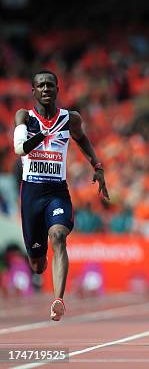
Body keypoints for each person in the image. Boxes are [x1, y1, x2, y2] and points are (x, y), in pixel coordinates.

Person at [13, 70, 109, 321]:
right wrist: (41, 137)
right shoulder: (24, 116)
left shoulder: (70, 119)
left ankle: (58, 299)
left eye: (50, 85)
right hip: (32, 192)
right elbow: (19, 148)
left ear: (57, 89)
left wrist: (97, 167)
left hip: (57, 191)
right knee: (37, 265)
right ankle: (40, 259)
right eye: (40, 85)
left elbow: (82, 139)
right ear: (33, 91)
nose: (46, 89)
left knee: (58, 236)